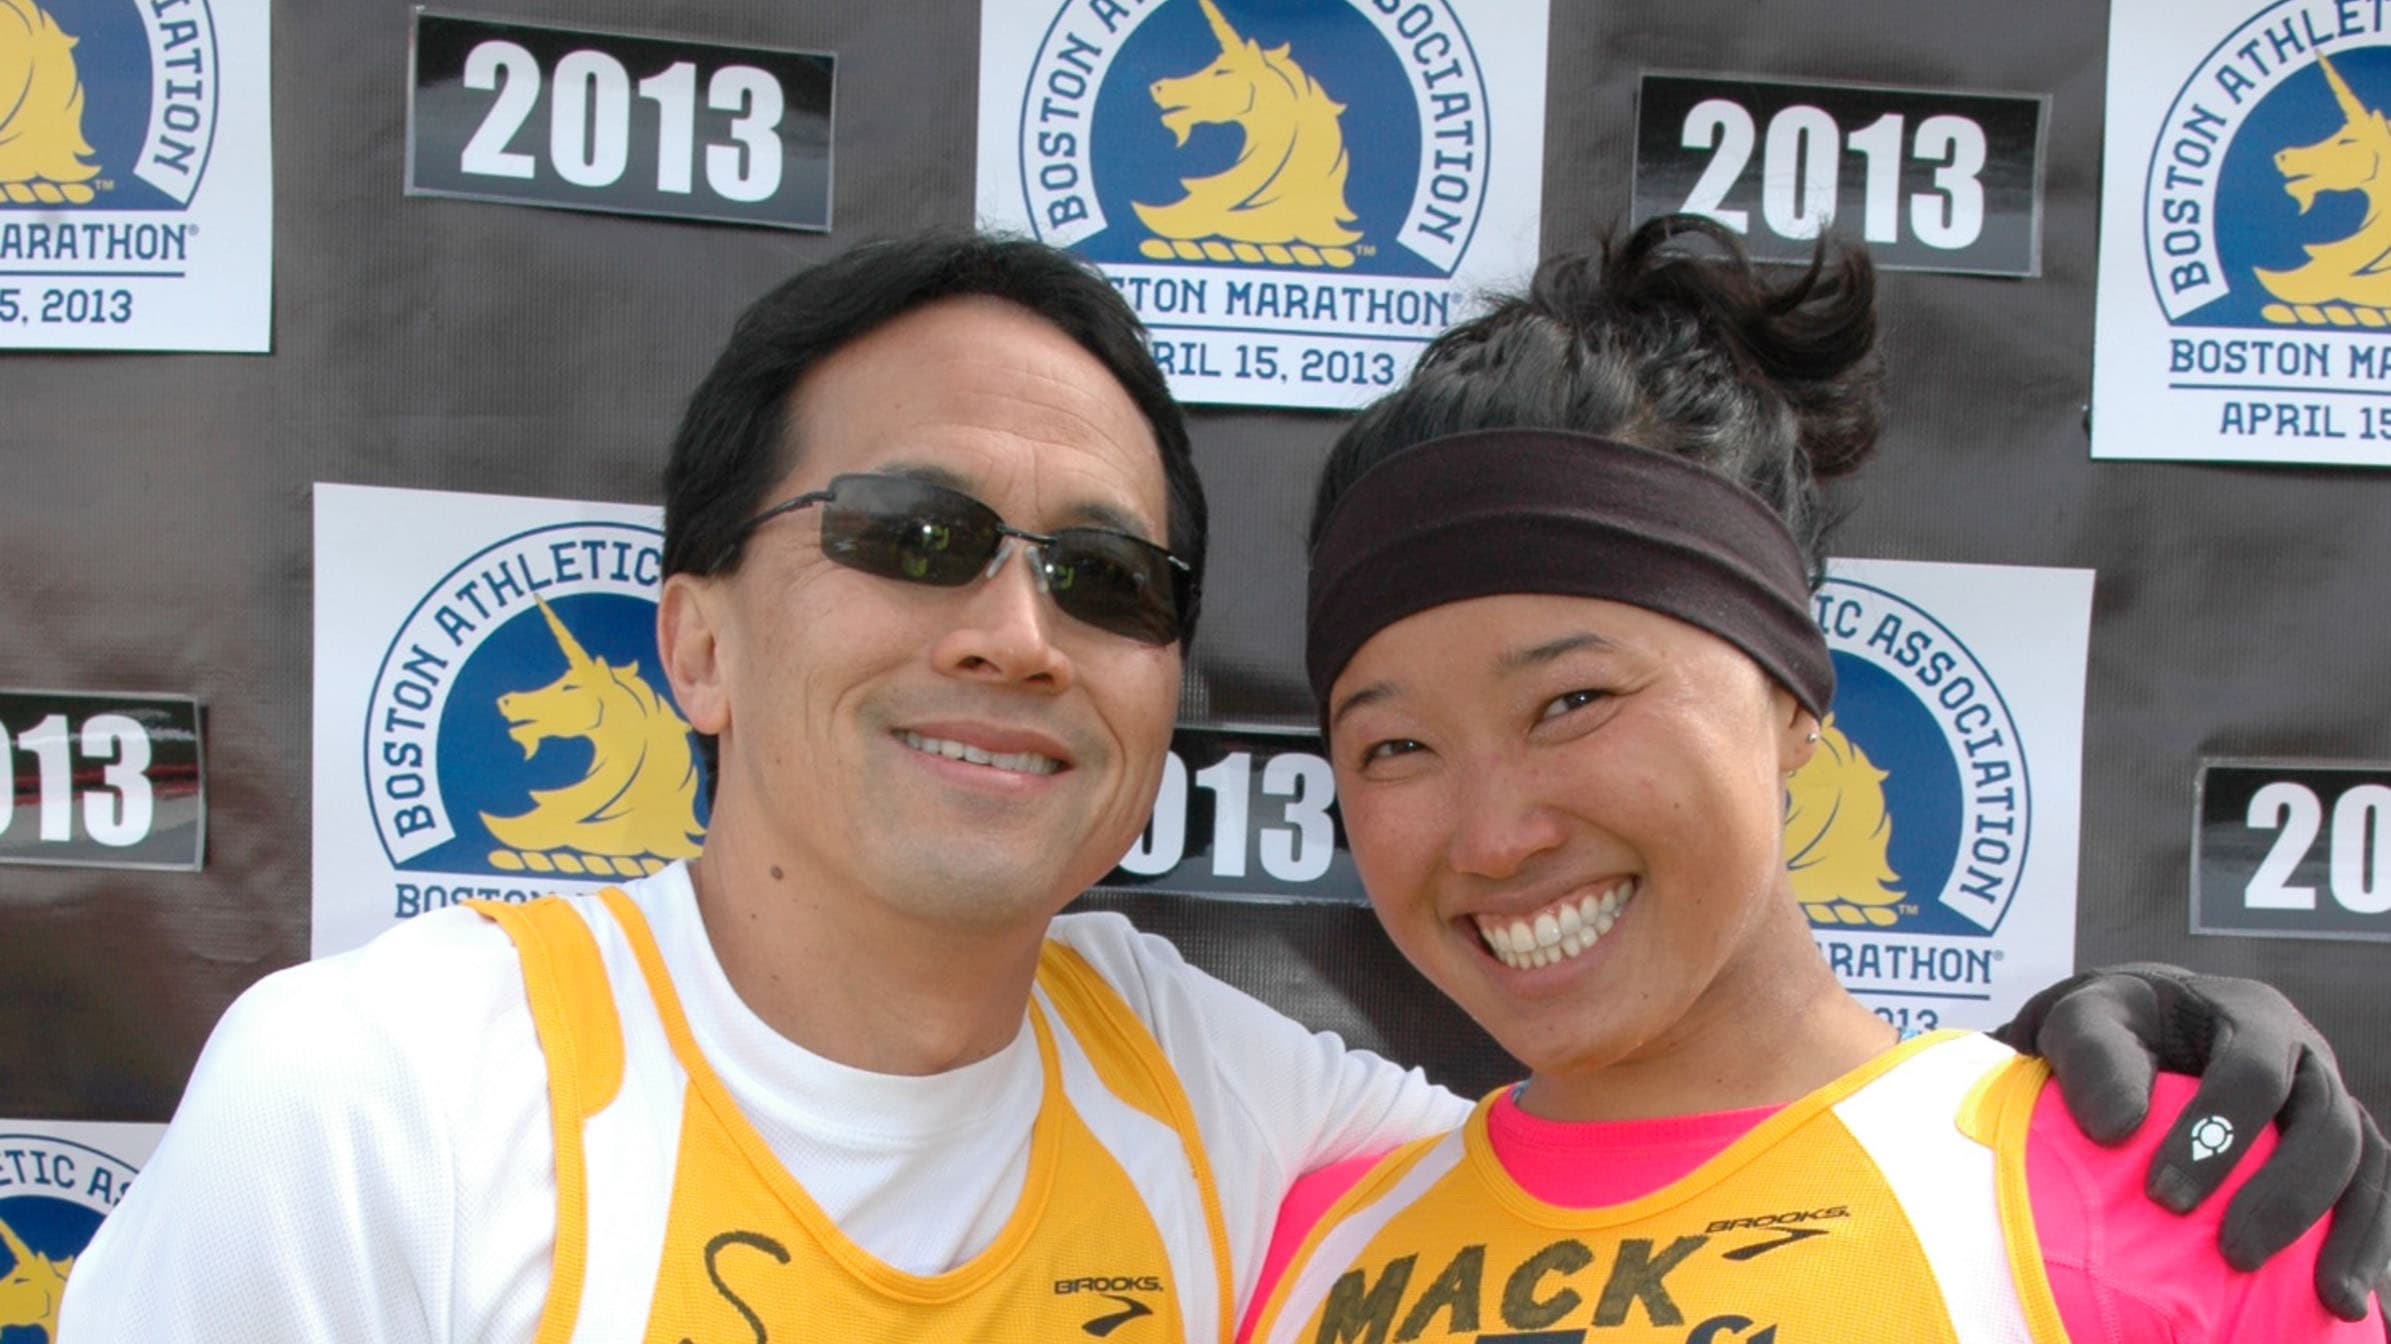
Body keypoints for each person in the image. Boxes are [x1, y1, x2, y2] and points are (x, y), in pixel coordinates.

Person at [55, 232, 2385, 1341]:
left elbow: (1715, 1142)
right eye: (909, 537)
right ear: (692, 633)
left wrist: (2120, 1077)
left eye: (1103, 575)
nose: (1009, 628)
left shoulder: (1253, 1146)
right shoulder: (387, 1099)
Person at [1243, 215, 2390, 1344]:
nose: (1494, 835)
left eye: (1573, 702)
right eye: (1396, 747)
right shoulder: (1304, 1247)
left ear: (1795, 699)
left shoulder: (2166, 1201)